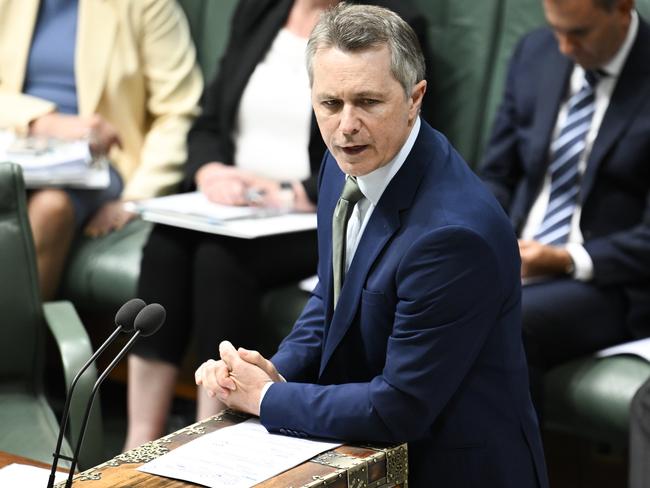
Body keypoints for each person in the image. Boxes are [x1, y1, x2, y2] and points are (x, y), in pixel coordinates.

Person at [194, 4, 549, 487]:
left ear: (415, 98)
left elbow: (399, 406)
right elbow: (330, 299)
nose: (346, 126)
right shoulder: (342, 164)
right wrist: (269, 371)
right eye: (331, 103)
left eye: (369, 102)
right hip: (368, 457)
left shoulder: (453, 237)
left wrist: (267, 398)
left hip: (452, 469)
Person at [123, 0, 432, 450]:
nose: (346, 116)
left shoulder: (388, 26)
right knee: (165, 246)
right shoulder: (259, 9)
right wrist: (209, 170)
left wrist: (288, 192)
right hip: (231, 202)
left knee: (218, 260)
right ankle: (139, 441)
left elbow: (390, 139)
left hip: (305, 207)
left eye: (359, 100)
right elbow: (209, 117)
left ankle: (208, 436)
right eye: (330, 102)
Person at [478, 0, 650, 417]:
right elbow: (496, 176)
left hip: (613, 281)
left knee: (507, 322)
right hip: (518, 254)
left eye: (579, 32)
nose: (565, 46)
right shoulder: (536, 53)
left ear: (622, 8)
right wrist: (485, 235)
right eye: (556, 29)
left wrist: (564, 259)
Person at [0, 0, 203, 300]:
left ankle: (15, 343)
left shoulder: (147, 5)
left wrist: (135, 197)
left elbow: (178, 110)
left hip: (100, 162)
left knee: (50, 208)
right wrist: (43, 121)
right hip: (14, 142)